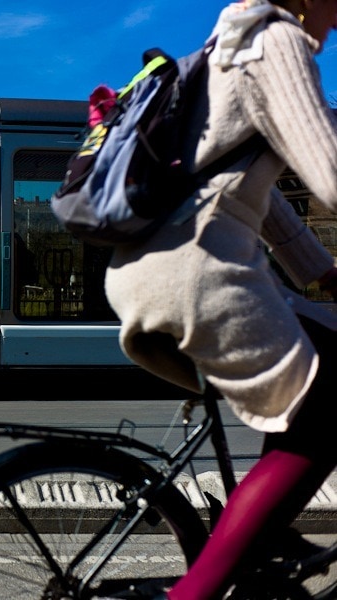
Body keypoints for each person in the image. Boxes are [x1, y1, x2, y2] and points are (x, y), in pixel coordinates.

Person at [102, 1, 337, 598]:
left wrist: (326, 275)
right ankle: (199, 591)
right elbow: (331, 176)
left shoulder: (220, 53)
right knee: (329, 411)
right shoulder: (277, 41)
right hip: (200, 274)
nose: (335, 24)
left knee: (319, 361)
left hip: (154, 270)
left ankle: (264, 527)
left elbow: (260, 200)